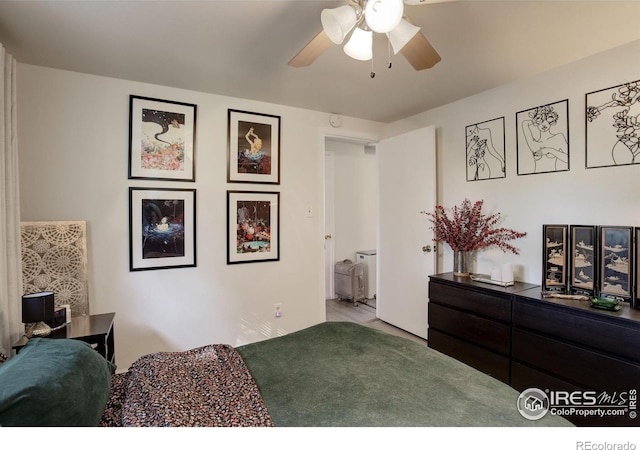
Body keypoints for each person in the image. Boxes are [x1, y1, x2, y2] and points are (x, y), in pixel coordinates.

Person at [521, 105, 568, 173]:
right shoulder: (534, 143)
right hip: (535, 180)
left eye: (546, 120)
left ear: (551, 121)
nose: (543, 124)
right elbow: (524, 123)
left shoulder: (558, 137)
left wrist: (549, 150)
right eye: (541, 121)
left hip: (553, 179)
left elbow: (568, 159)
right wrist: (536, 119)